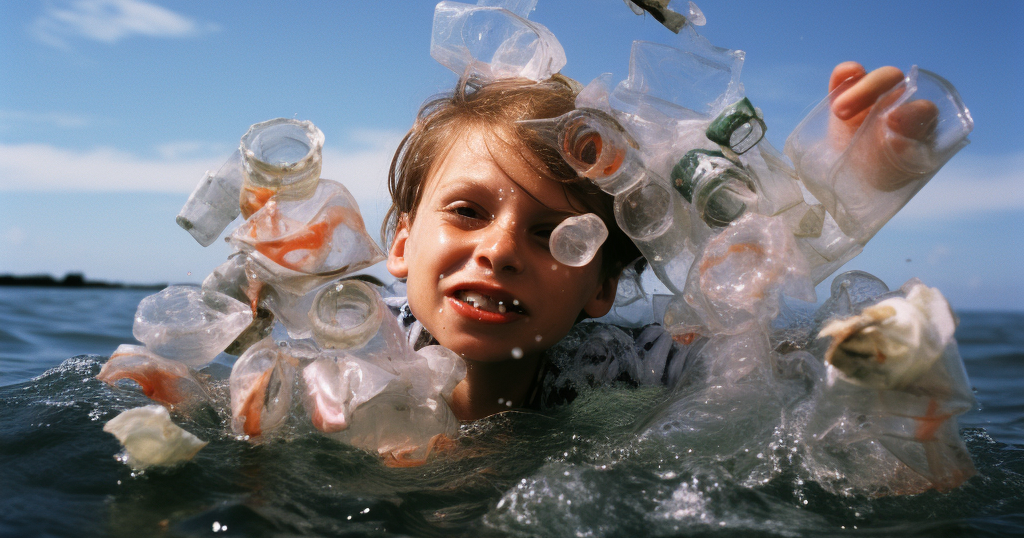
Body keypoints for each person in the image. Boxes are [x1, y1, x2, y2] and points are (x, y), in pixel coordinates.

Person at [380, 59, 926, 423]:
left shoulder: (602, 365)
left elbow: (772, 366)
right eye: (467, 212)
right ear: (403, 244)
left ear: (602, 286)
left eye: (554, 235)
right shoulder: (356, 340)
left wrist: (840, 196)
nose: (498, 250)